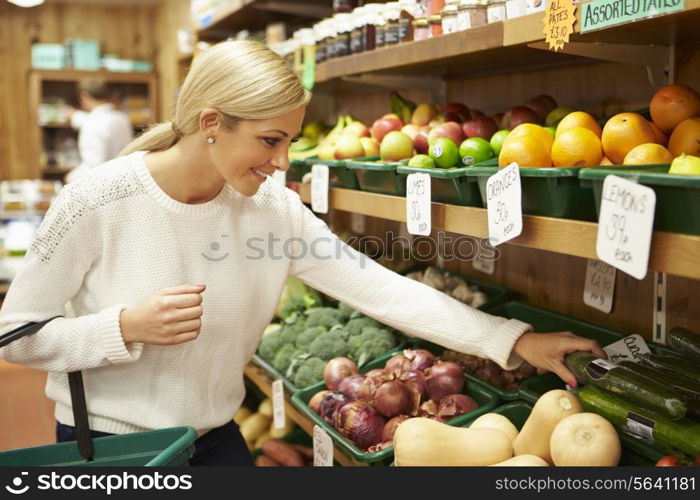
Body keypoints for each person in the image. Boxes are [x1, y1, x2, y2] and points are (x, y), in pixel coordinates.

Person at [0, 41, 604, 466]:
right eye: (270, 140)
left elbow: (378, 287)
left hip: (213, 443)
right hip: (110, 451)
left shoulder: (272, 209)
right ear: (211, 122)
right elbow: (15, 333)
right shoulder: (96, 200)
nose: (283, 161)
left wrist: (513, 339)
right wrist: (122, 327)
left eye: (289, 139)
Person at [64, 79, 134, 183]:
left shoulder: (93, 122)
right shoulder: (122, 118)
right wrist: (74, 115)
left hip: (102, 183)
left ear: (84, 96)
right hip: (123, 179)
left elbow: (94, 165)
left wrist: (70, 178)